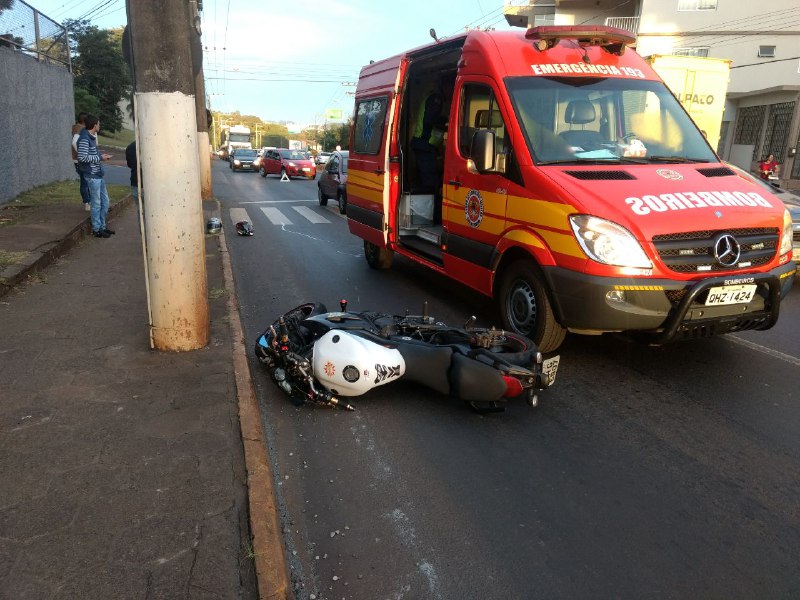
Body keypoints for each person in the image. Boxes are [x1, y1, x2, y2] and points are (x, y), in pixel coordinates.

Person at [76, 114, 114, 238]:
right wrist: (100, 157)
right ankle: (96, 229)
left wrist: (101, 156)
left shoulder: (91, 137)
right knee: (96, 203)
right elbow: (82, 157)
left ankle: (102, 226)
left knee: (105, 202)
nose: (99, 125)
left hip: (98, 174)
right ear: (94, 125)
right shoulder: (84, 138)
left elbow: (91, 154)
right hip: (92, 176)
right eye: (99, 123)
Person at [71, 113, 91, 211]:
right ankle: (87, 202)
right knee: (85, 181)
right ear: (84, 121)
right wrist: (82, 154)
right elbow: (74, 142)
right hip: (80, 160)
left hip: (78, 159)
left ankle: (88, 201)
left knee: (85, 180)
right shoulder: (80, 129)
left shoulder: (77, 128)